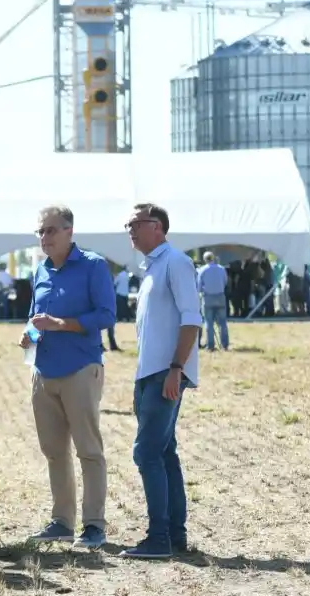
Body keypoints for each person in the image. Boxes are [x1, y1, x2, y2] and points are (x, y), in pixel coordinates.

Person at [20, 205, 116, 549]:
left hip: (80, 368)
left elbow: (107, 315)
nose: (44, 237)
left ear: (69, 232)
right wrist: (30, 334)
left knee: (89, 451)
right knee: (54, 452)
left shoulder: (93, 266)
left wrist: (62, 325)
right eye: (40, 231)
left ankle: (94, 526)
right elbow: (35, 316)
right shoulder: (40, 271)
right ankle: (62, 521)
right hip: (43, 371)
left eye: (51, 230)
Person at [120, 203, 201, 559]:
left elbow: (192, 319)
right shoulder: (151, 269)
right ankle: (173, 535)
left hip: (165, 373)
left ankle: (158, 539)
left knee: (147, 452)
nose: (130, 230)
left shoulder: (176, 262)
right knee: (165, 453)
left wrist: (176, 368)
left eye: (136, 223)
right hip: (151, 373)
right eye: (129, 224)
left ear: (158, 227)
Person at [197, 251, 229, 351]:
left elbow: (198, 287)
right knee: (222, 322)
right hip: (220, 297)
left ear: (205, 259)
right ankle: (225, 345)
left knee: (208, 322)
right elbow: (225, 282)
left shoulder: (202, 270)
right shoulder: (221, 269)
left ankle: (210, 346)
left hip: (208, 298)